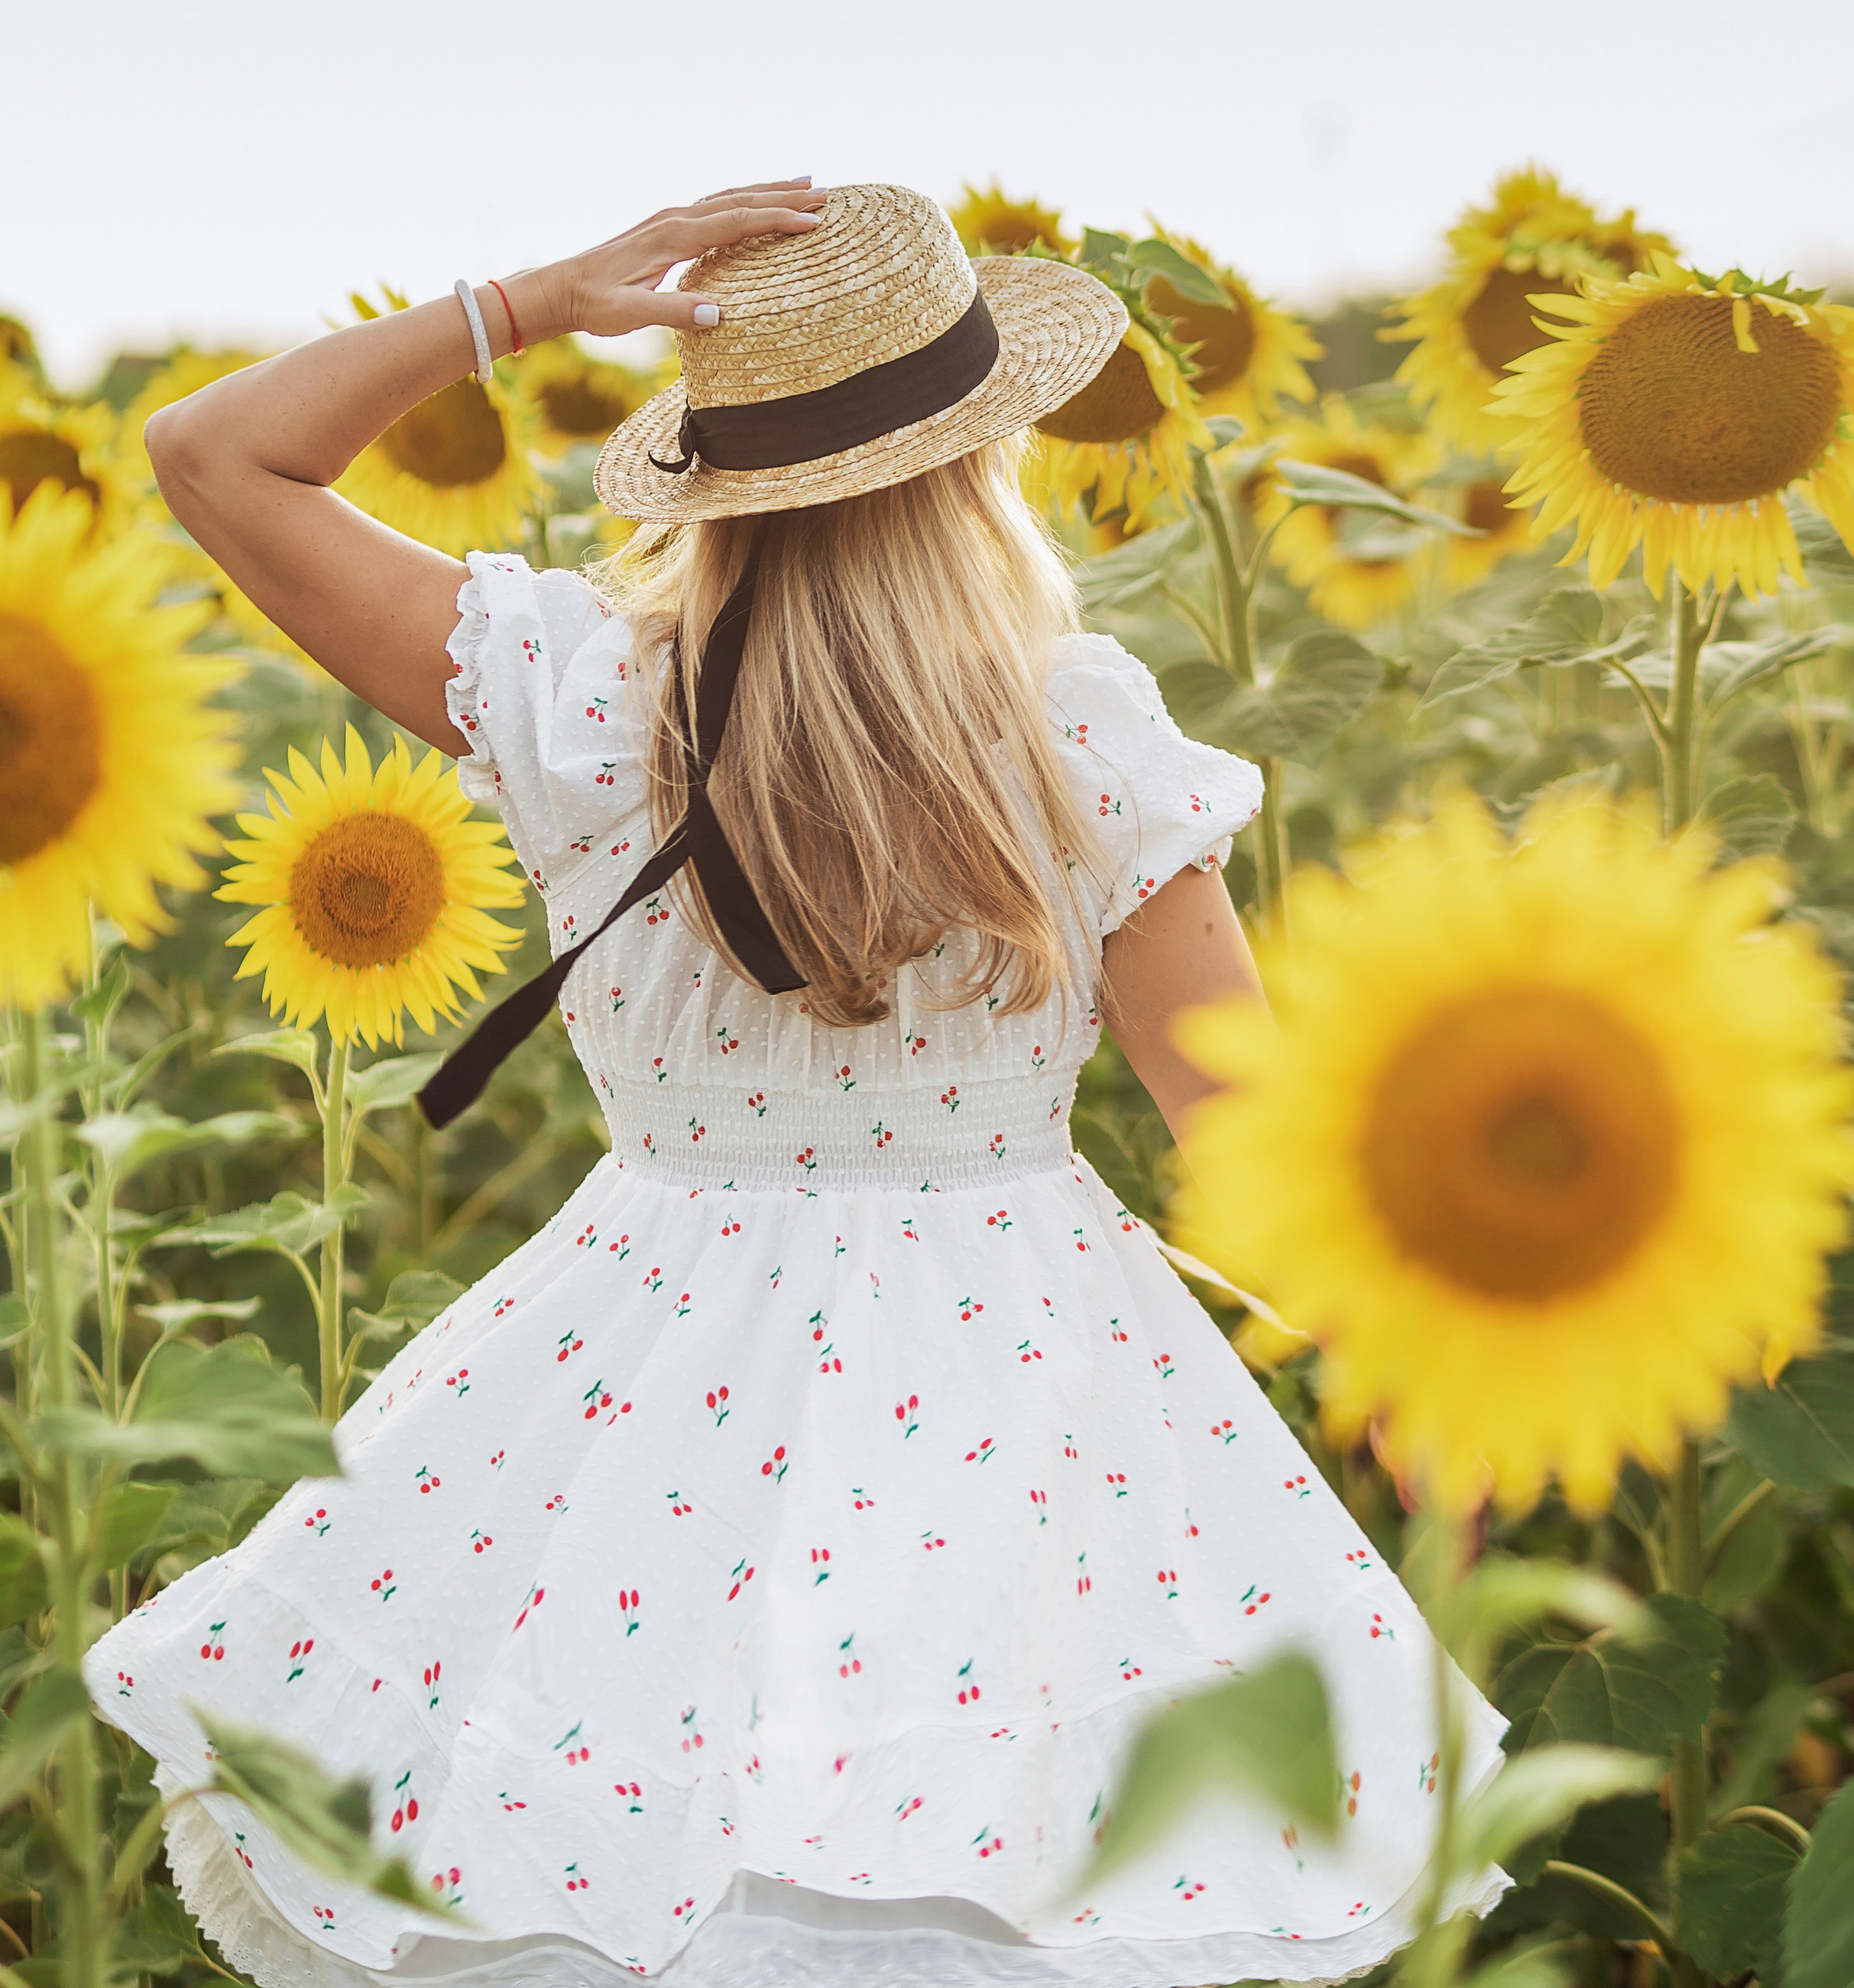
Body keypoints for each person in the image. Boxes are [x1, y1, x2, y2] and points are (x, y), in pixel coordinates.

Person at [86, 180, 1502, 1987]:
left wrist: (530, 303)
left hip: (638, 1363)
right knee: (986, 1863)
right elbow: (1253, 1134)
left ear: (710, 475)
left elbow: (210, 454)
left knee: (610, 1847)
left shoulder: (583, 700)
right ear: (975, 463)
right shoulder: (1076, 732)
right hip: (1022, 1392)